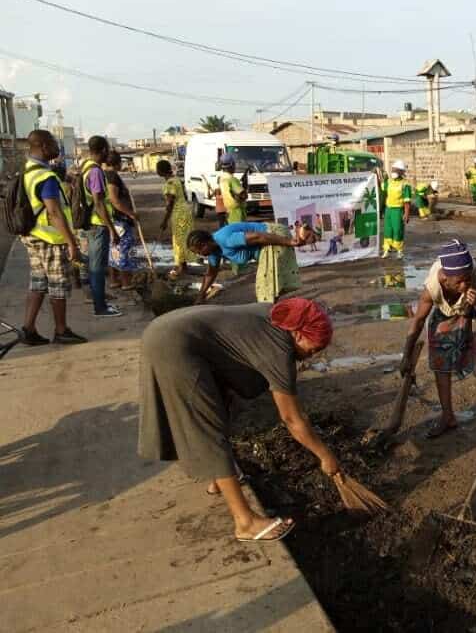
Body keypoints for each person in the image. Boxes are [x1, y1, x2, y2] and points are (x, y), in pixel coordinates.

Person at [138, 298, 346, 543]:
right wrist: (325, 456)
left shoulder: (275, 317)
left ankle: (218, 481)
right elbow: (291, 418)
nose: (312, 355)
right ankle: (245, 522)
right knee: (206, 426)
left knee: (220, 407)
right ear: (298, 334)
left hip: (172, 330)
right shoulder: (278, 349)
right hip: (173, 345)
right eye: (313, 348)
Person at [401, 239, 476, 439]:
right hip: (444, 315)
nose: (464, 286)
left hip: (473, 310)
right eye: (458, 282)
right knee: (440, 363)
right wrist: (406, 356)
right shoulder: (432, 289)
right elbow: (418, 320)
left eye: (467, 280)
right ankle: (448, 416)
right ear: (445, 279)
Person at [19, 129, 88, 346]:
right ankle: (61, 330)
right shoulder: (46, 176)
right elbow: (54, 212)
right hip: (50, 239)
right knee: (57, 284)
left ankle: (28, 329)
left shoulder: (28, 171)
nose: (57, 147)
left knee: (38, 283)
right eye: (53, 143)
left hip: (33, 236)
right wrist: (71, 242)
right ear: (43, 145)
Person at [187, 222, 310, 304]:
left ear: (204, 244)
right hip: (266, 243)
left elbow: (257, 237)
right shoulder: (214, 251)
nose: (199, 255)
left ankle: (268, 315)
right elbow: (211, 273)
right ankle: (272, 310)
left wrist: (289, 242)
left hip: (272, 236)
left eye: (198, 251)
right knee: (270, 285)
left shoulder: (225, 239)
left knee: (266, 286)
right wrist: (201, 294)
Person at [81, 135, 122, 317]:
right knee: (97, 269)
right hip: (98, 226)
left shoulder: (85, 167)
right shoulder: (96, 171)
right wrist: (112, 229)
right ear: (103, 150)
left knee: (94, 266)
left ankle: (100, 301)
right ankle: (100, 307)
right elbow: (98, 203)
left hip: (91, 225)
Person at [104, 152, 140, 291]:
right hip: (120, 220)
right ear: (117, 163)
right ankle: (126, 282)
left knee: (114, 251)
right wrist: (131, 214)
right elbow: (114, 200)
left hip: (114, 220)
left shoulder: (105, 175)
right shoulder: (112, 177)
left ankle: (115, 281)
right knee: (124, 251)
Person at [157, 160, 193, 280]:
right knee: (184, 238)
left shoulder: (170, 183)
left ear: (160, 171)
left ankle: (181, 267)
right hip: (185, 211)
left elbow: (170, 204)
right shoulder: (176, 179)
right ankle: (183, 265)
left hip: (178, 214)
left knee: (179, 240)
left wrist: (164, 221)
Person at [382, 160, 411, 259]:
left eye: (396, 170)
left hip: (398, 210)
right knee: (387, 230)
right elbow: (381, 188)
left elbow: (407, 201)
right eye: (393, 170)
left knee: (397, 230)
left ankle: (399, 251)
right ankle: (386, 249)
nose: (393, 172)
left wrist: (406, 214)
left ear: (401, 172)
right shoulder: (389, 181)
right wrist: (376, 176)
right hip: (388, 210)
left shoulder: (405, 184)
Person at [218, 153, 248, 225]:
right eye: (234, 164)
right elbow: (243, 196)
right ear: (231, 165)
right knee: (239, 232)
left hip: (229, 210)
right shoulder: (232, 180)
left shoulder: (221, 178)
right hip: (237, 212)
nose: (235, 166)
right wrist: (245, 184)